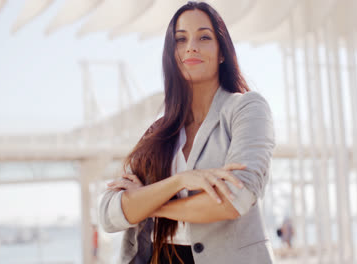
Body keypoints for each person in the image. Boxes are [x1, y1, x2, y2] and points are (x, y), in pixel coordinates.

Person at [99, 2, 275, 263]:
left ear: (222, 51)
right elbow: (110, 214)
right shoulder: (158, 133)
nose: (191, 46)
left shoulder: (246, 108)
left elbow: (234, 199)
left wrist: (149, 206)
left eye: (204, 37)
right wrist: (179, 181)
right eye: (181, 39)